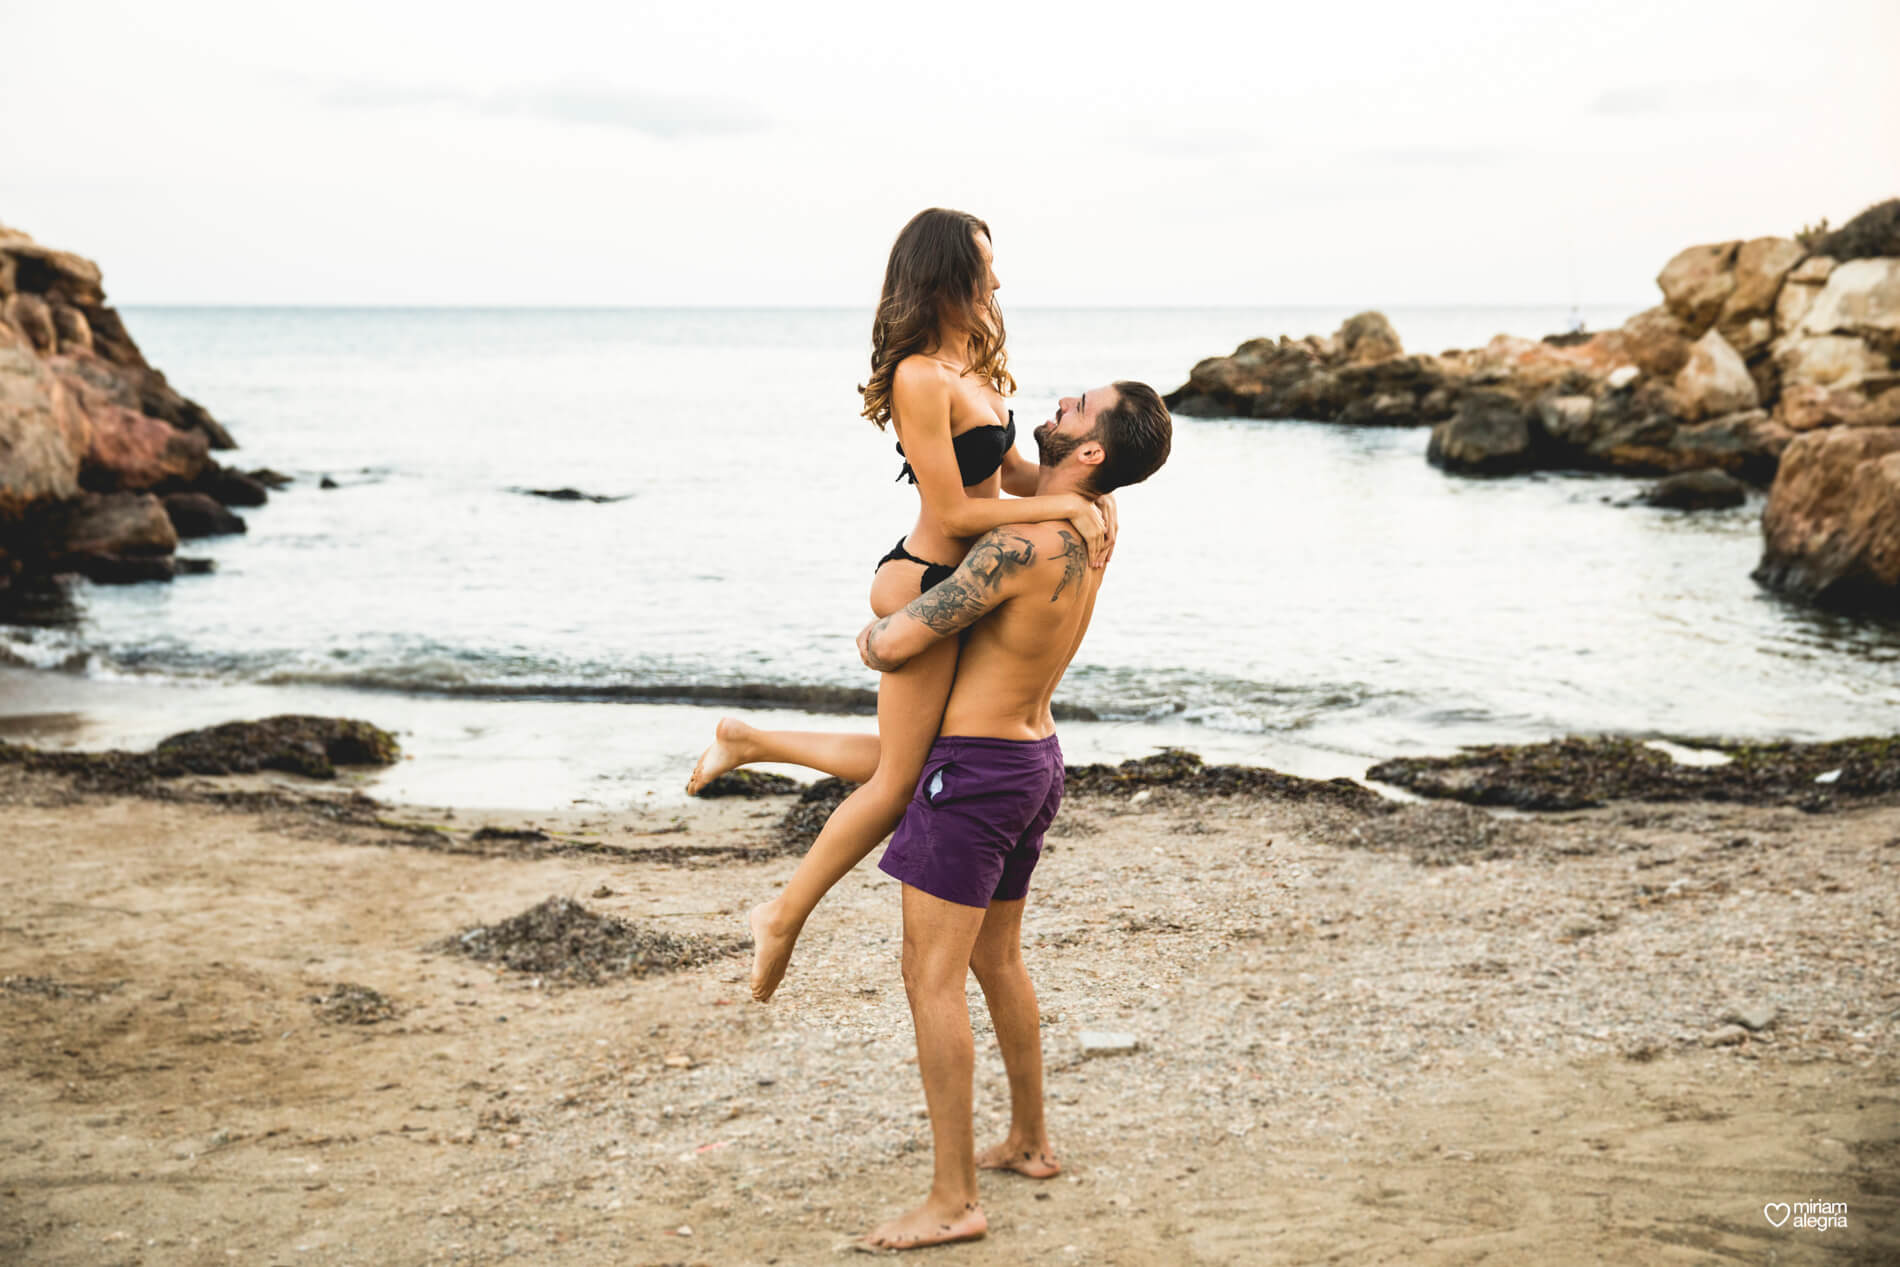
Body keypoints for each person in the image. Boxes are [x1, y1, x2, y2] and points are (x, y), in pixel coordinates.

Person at [684, 208, 1116, 1003]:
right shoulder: (920, 376)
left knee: (907, 761)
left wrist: (1086, 496)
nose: (996, 280)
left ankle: (745, 738)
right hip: (923, 579)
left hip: (967, 587)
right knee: (896, 785)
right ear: (948, 273)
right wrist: (1059, 516)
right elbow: (953, 514)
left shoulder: (977, 370)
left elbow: (1015, 477)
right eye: (985, 265)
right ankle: (780, 915)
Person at [852, 381, 1172, 1251]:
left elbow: (898, 641)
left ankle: (952, 1200)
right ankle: (1029, 1140)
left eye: (1080, 406)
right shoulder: (1095, 520)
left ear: (1094, 450)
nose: (1064, 399)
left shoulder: (1021, 544)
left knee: (931, 976)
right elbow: (1016, 474)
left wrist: (879, 616)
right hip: (1034, 760)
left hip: (977, 774)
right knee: (997, 958)